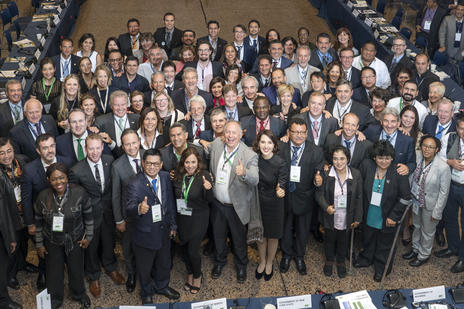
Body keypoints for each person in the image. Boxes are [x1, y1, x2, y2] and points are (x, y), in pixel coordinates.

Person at [69, 134, 124, 297]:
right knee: (91, 247)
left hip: (108, 212)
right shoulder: (76, 170)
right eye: (90, 148)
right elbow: (75, 199)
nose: (94, 152)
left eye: (97, 148)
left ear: (102, 147)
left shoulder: (110, 161)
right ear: (86, 149)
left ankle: (110, 267)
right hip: (89, 217)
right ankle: (93, 276)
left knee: (109, 242)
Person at [34, 162, 93, 308]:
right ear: (49, 180)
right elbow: (38, 223)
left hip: (75, 238)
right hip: (52, 241)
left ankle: (79, 294)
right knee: (53, 272)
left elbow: (89, 217)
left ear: (67, 177)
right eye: (54, 179)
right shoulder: (42, 197)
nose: (58, 182)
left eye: (61, 178)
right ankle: (55, 299)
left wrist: (89, 237)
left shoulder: (80, 192)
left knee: (76, 269)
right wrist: (39, 244)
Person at [126, 149, 180, 304]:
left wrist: (173, 225)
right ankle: (146, 292)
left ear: (161, 164)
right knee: (145, 267)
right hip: (145, 233)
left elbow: (169, 203)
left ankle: (162, 286)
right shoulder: (134, 183)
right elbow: (128, 208)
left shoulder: (164, 177)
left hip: (164, 230)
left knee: (164, 262)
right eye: (148, 163)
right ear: (143, 163)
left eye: (156, 164)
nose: (152, 167)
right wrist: (138, 209)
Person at [20, 134, 73, 290]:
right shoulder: (29, 170)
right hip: (43, 219)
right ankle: (44, 273)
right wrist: (30, 223)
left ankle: (70, 273)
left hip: (66, 216)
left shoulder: (67, 161)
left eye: (52, 146)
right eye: (45, 148)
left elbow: (74, 190)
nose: (50, 151)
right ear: (38, 150)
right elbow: (26, 199)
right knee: (44, 250)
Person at [209, 120, 259, 283]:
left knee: (238, 240)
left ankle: (241, 265)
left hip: (236, 207)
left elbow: (255, 179)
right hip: (217, 204)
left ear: (240, 134)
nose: (230, 136)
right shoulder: (216, 144)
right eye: (227, 132)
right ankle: (220, 261)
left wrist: (244, 173)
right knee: (218, 237)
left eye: (233, 133)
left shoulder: (249, 154)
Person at [354, 141, 411, 281]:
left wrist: (394, 216)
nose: (384, 161)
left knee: (385, 243)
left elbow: (405, 198)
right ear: (374, 157)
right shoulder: (366, 166)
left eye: (387, 158)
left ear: (392, 158)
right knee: (368, 237)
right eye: (380, 157)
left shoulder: (398, 172)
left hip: (388, 215)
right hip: (369, 212)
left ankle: (381, 267)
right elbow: (359, 188)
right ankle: (366, 258)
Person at [279, 117, 324, 275]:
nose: (298, 135)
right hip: (284, 196)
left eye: (302, 132)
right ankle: (286, 254)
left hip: (305, 197)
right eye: (295, 132)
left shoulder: (316, 150)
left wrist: (319, 181)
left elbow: (320, 173)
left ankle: (299, 256)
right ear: (289, 133)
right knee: (285, 227)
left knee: (303, 229)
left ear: (307, 134)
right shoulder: (280, 147)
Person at [402, 135, 451, 266]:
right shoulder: (418, 158)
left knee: (427, 231)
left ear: (437, 150)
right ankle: (415, 249)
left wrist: (437, 212)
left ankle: (423, 255)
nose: (427, 149)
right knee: (417, 226)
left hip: (431, 205)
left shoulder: (443, 167)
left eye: (431, 147)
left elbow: (444, 192)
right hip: (417, 201)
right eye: (425, 146)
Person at [315, 145, 362, 278]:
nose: (339, 162)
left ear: (348, 159)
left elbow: (359, 197)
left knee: (343, 239)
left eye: (342, 158)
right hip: (331, 214)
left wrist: (358, 217)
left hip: (348, 215)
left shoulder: (356, 174)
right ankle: (329, 260)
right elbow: (319, 194)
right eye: (335, 159)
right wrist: (326, 207)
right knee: (329, 238)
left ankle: (341, 262)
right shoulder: (326, 173)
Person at [173, 147, 213, 293]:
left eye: (193, 162)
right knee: (183, 247)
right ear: (183, 163)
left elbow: (210, 200)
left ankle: (197, 275)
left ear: (198, 162)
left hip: (199, 217)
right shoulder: (178, 176)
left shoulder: (204, 175)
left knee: (193, 250)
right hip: (182, 217)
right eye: (187, 162)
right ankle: (189, 272)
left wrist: (208, 189)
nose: (190, 165)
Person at [253, 130, 288, 281]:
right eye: (263, 142)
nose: (266, 146)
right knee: (260, 234)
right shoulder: (254, 159)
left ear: (274, 145)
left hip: (275, 202)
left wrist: (281, 189)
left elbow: (283, 181)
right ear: (258, 143)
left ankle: (269, 262)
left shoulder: (280, 162)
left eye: (269, 142)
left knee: (273, 236)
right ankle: (261, 260)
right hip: (258, 202)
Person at [111, 129, 142, 293]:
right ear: (122, 146)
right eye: (127, 144)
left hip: (149, 214)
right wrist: (119, 220)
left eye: (134, 142)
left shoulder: (149, 156)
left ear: (139, 141)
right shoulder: (117, 166)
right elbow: (116, 195)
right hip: (128, 216)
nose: (131, 147)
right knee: (128, 247)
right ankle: (131, 274)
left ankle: (147, 271)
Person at [435, 112, 464, 273]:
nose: (463, 132)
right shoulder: (450, 137)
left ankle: (463, 258)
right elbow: (438, 157)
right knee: (450, 219)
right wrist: (450, 162)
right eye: (461, 128)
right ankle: (453, 248)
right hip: (451, 184)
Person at [0, 138, 23, 309]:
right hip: (9, 217)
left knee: (21, 246)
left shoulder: (21, 163)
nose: (6, 156)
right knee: (8, 253)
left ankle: (19, 267)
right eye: (1, 153)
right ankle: (4, 297)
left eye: (9, 151)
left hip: (23, 213)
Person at [364, 107, 416, 175]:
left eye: (393, 121)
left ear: (398, 123)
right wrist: (358, 133)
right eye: (386, 121)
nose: (389, 125)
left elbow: (412, 163)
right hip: (372, 174)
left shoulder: (407, 141)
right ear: (381, 121)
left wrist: (407, 168)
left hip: (394, 178)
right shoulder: (371, 131)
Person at [95, 90, 140, 157]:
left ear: (127, 105)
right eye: (116, 105)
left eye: (123, 104)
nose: (120, 108)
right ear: (111, 106)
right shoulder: (101, 121)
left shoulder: (137, 119)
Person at [437, 2, 464, 70]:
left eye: (462, 10)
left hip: (460, 51)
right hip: (447, 49)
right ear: (455, 10)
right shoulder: (447, 19)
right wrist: (442, 45)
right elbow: (442, 33)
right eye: (458, 9)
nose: (459, 12)